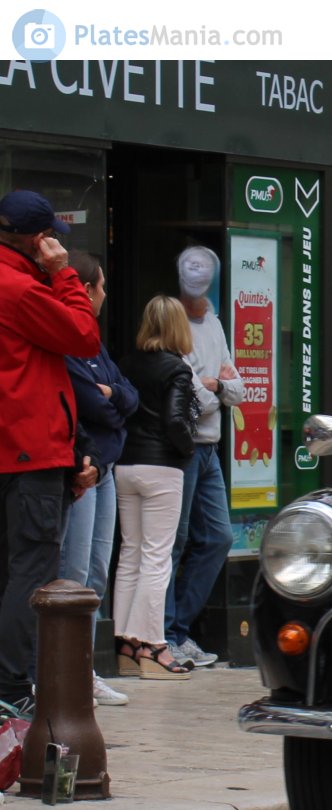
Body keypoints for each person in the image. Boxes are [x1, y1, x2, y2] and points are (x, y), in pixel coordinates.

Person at [0, 190, 101, 720]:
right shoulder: (19, 289)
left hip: (14, 449)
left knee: (9, 570)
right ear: (41, 239)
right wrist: (64, 276)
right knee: (30, 571)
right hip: (28, 453)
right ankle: (10, 687)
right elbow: (84, 337)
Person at [57, 252, 138, 706]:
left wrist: (114, 397)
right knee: (71, 572)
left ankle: (82, 668)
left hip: (107, 465)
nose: (106, 295)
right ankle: (60, 672)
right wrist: (113, 399)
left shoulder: (96, 344)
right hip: (85, 465)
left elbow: (127, 393)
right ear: (85, 290)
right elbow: (93, 402)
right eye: (103, 286)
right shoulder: (66, 340)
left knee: (95, 574)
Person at [112, 296, 198, 680]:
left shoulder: (126, 364)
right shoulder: (177, 369)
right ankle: (153, 645)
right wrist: (188, 449)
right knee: (156, 556)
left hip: (125, 464)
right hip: (162, 467)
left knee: (130, 552)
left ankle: (125, 644)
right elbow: (176, 421)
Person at [165, 246, 244, 668]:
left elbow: (238, 389)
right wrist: (216, 388)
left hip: (209, 447)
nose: (198, 289)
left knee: (217, 537)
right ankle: (164, 635)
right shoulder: (172, 322)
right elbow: (191, 399)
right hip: (185, 446)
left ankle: (177, 630)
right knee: (173, 541)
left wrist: (214, 385)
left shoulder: (212, 321)